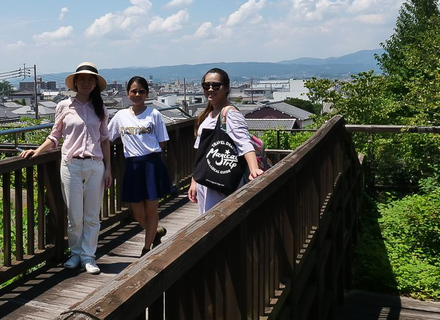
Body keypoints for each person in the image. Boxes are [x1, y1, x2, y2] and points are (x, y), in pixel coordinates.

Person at [20, 62, 112, 275]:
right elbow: (55, 136)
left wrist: (108, 169)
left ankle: (89, 256)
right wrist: (37, 150)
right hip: (71, 164)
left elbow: (105, 140)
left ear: (95, 84)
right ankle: (76, 253)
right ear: (75, 82)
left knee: (91, 215)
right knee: (74, 214)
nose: (86, 83)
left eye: (91, 79)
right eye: (82, 79)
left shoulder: (101, 108)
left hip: (95, 164)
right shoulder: (63, 106)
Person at [108, 76, 173, 257]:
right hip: (132, 165)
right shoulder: (120, 116)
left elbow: (162, 142)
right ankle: (155, 232)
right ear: (128, 93)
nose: (137, 94)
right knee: (137, 212)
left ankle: (146, 249)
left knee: (151, 209)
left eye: (141, 91)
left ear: (147, 93)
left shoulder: (154, 114)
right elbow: (106, 137)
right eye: (134, 91)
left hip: (151, 164)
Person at [188, 68, 264, 214]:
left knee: (217, 220)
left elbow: (244, 143)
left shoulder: (230, 114)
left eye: (215, 85)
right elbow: (201, 153)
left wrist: (254, 169)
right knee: (206, 219)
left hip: (222, 178)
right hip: (207, 179)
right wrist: (195, 180)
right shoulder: (207, 115)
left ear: (227, 87)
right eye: (206, 85)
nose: (210, 89)